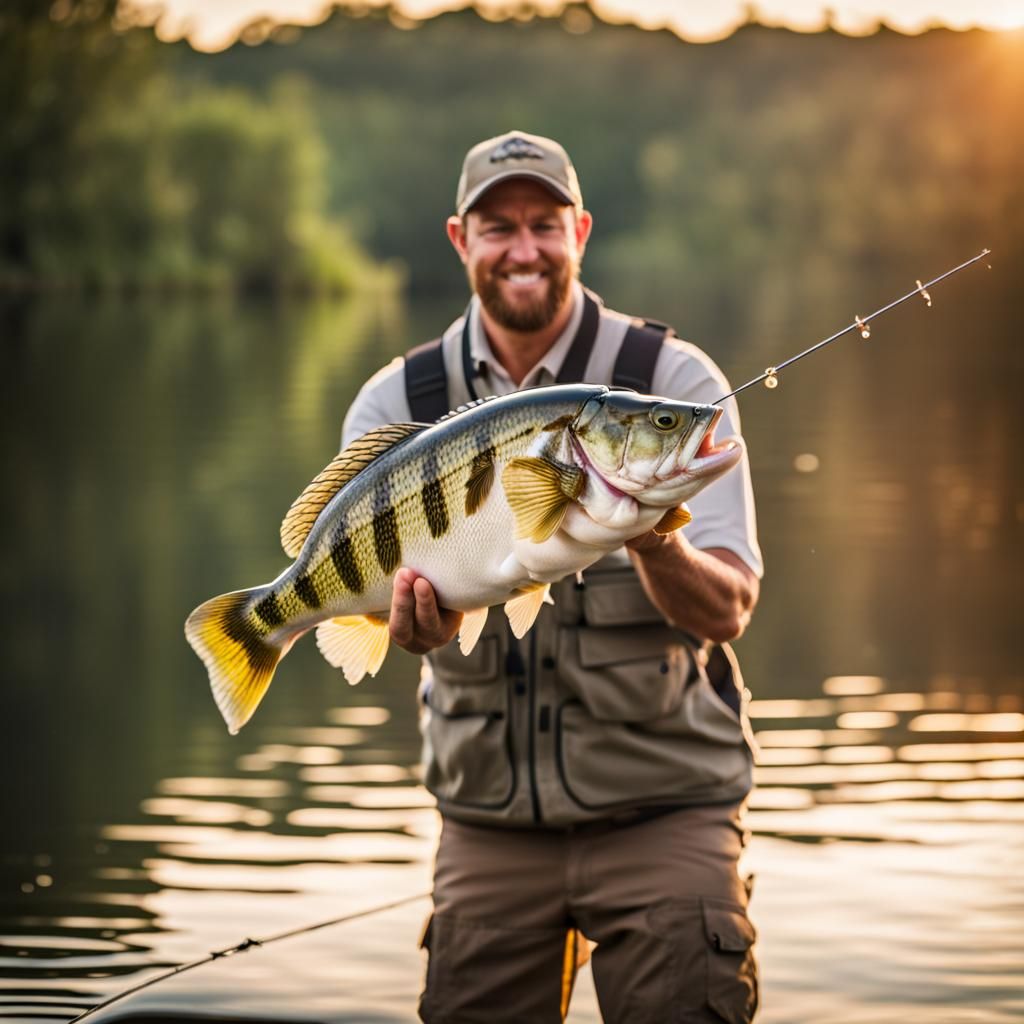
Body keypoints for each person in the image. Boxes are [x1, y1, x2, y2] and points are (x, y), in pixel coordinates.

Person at [342, 130, 763, 1023]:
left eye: (544, 224)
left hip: (665, 809)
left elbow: (728, 607)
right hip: (486, 823)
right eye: (499, 227)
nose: (523, 249)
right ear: (461, 240)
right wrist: (409, 625)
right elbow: (370, 589)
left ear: (581, 230)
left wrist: (655, 540)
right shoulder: (396, 407)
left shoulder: (671, 385)